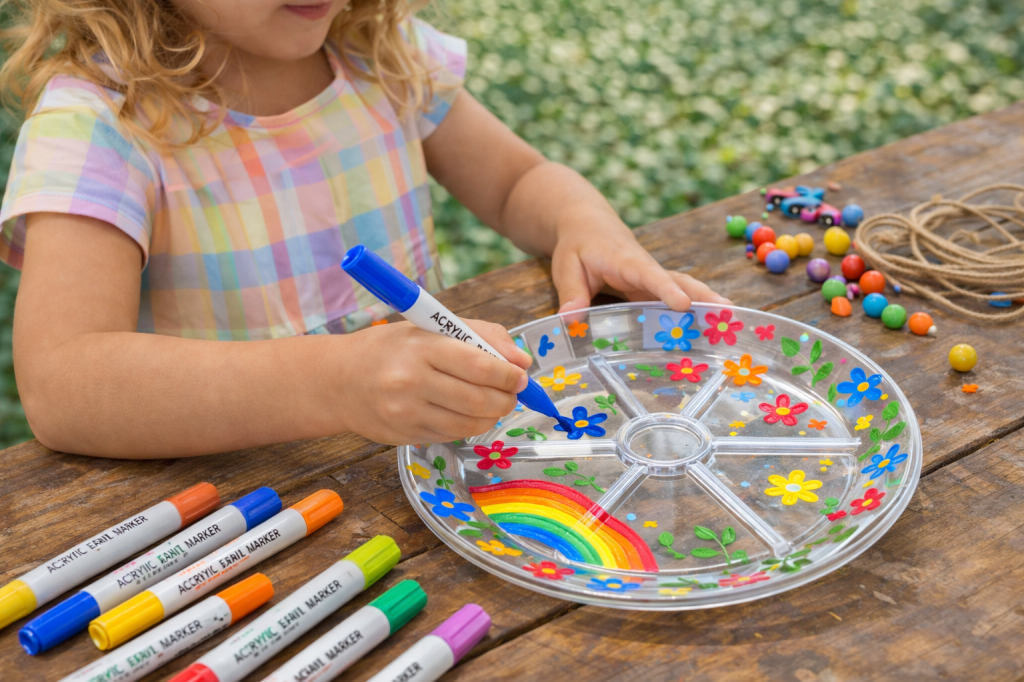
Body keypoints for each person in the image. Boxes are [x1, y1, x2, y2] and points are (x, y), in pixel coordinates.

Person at [0, 0, 727, 458]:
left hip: (437, 471)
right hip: (248, 524)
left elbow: (515, 181)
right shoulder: (101, 126)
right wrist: (336, 383)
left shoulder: (379, 57)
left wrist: (584, 223)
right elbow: (63, 384)